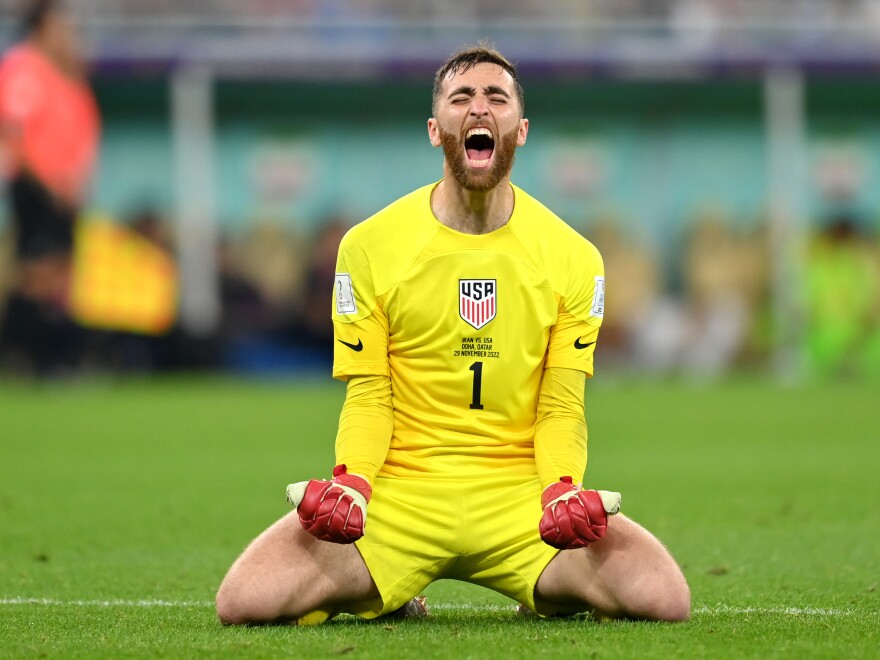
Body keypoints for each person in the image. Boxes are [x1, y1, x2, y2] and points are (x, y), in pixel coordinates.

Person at [216, 43, 690, 625]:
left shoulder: (574, 257)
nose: (479, 109)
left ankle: (538, 587)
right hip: (400, 495)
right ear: (436, 130)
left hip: (520, 496)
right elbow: (369, 397)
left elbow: (561, 406)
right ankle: (394, 588)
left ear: (522, 128)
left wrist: (563, 488)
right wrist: (354, 482)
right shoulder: (367, 247)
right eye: (461, 97)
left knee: (663, 598)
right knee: (244, 602)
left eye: (497, 98)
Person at [0, 0, 100, 374]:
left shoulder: (65, 75)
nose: (70, 33)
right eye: (62, 25)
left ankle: (52, 359)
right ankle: (18, 354)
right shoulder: (24, 68)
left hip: (65, 190)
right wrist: (49, 183)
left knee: (62, 274)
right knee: (37, 272)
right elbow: (14, 134)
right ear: (42, 27)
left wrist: (76, 181)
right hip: (36, 186)